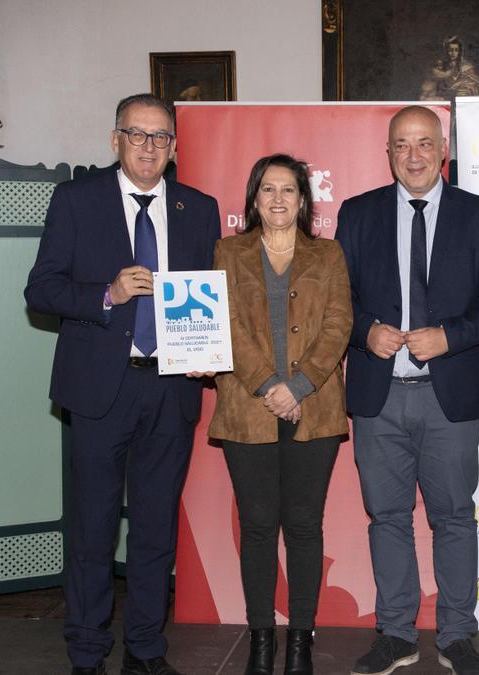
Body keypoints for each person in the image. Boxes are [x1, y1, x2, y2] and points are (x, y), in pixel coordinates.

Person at [25, 93, 221, 675]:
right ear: (115, 140)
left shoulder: (199, 207)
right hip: (97, 391)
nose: (149, 147)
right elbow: (41, 290)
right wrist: (106, 296)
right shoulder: (76, 200)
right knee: (93, 527)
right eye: (137, 135)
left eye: (161, 137)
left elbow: (210, 295)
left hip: (170, 389)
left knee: (156, 525)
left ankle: (145, 646)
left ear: (175, 147)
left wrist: (208, 351)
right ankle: (87, 650)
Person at [336, 106, 479, 675]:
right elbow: (337, 303)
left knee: (455, 517)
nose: (413, 156)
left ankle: (458, 634)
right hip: (378, 396)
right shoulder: (357, 214)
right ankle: (396, 634)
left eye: (424, 144)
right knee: (387, 517)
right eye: (401, 145)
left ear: (444, 150)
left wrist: (449, 337)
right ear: (388, 153)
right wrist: (367, 331)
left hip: (450, 396)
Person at [208, 154, 352, 675]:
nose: (277, 199)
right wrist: (269, 385)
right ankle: (261, 641)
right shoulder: (227, 252)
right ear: (253, 199)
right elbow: (223, 323)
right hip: (248, 410)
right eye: (267, 190)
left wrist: (299, 385)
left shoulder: (329, 255)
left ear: (303, 200)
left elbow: (339, 325)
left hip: (314, 409)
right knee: (259, 528)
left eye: (288, 190)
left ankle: (300, 643)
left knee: (304, 527)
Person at [419, 35, 479, 100]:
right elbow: (431, 84)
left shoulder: (467, 68)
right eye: (450, 50)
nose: (453, 53)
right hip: (442, 101)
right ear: (446, 51)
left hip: (460, 102)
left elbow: (471, 87)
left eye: (456, 50)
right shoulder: (441, 65)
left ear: (460, 51)